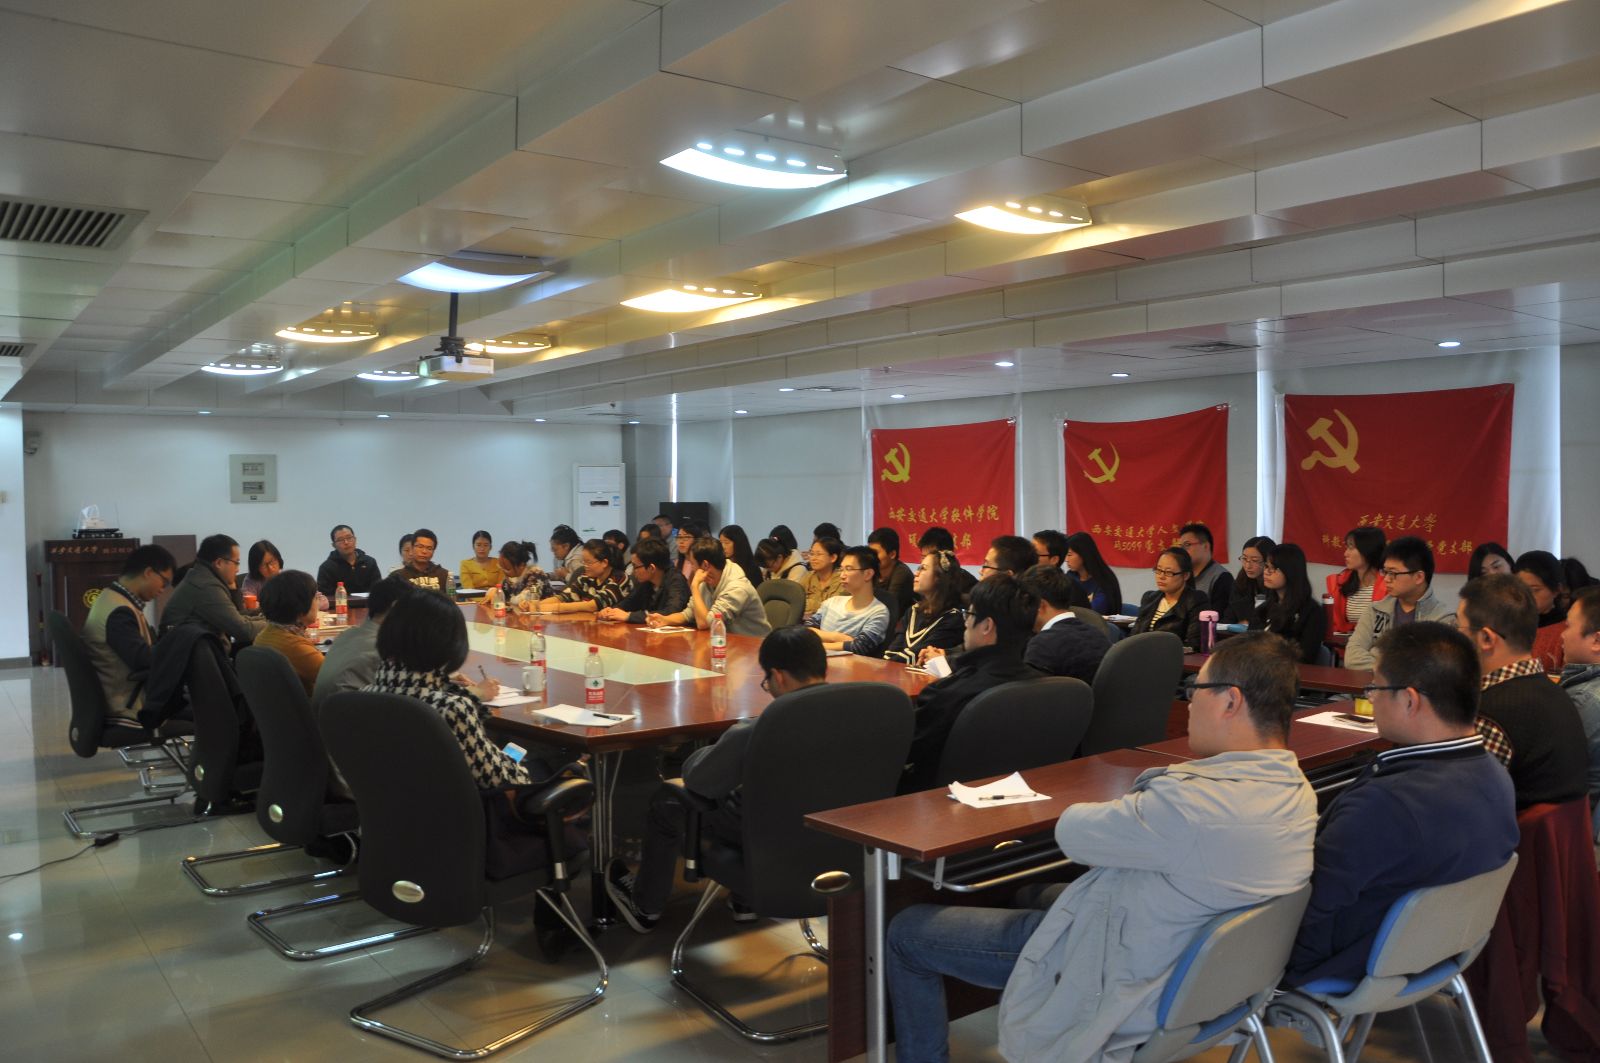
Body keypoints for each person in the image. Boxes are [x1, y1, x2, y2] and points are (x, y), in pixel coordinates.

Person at [885, 634, 1316, 1061]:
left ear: (1230, 701)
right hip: (1202, 981)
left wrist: (1139, 800)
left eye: (1195, 689)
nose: (1187, 703)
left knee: (906, 932)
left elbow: (1074, 832)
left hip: (1129, 978)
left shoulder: (1189, 805)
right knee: (1032, 893)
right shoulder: (1297, 790)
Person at [1285, 622, 1518, 986]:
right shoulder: (1495, 774)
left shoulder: (1388, 803)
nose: (1371, 698)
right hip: (1433, 949)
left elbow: (1304, 904)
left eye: (1376, 687)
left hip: (1344, 963)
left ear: (1410, 700)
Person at [603, 628, 827, 931]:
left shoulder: (762, 729)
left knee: (669, 800)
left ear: (778, 676)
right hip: (829, 839)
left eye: (767, 682)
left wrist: (709, 751)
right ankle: (743, 902)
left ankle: (645, 906)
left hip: (764, 834)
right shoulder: (854, 711)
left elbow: (699, 780)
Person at [1456, 574, 1588, 807]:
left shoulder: (1490, 716)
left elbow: (1464, 804)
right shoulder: (1558, 692)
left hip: (1512, 830)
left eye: (1460, 628)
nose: (1456, 637)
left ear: (1486, 638)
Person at [901, 576, 1040, 793]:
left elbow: (903, 750)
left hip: (936, 798)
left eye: (970, 614)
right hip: (1017, 794)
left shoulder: (949, 694)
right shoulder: (1044, 684)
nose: (965, 623)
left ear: (986, 626)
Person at [82, 544, 175, 722]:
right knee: (210, 707)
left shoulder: (111, 598)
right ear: (149, 572)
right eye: (164, 582)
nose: (163, 589)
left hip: (126, 696)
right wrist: (177, 650)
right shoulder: (120, 612)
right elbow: (143, 660)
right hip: (130, 706)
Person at [1343, 536, 1455, 670]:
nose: (1386, 579)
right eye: (1385, 572)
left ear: (1419, 577)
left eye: (1393, 573)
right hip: (1371, 683)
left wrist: (1378, 662)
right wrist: (1395, 669)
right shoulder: (1375, 610)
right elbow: (1351, 657)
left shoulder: (1443, 619)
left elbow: (1430, 669)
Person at [312, 575, 412, 714]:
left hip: (325, 719)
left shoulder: (347, 635)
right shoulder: (385, 649)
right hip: (348, 721)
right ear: (396, 606)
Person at [649, 538, 771, 637]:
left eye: (693, 564)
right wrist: (665, 620)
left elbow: (706, 624)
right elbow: (688, 614)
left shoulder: (737, 588)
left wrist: (694, 587)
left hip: (753, 649)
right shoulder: (706, 581)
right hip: (726, 644)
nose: (692, 568)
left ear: (705, 565)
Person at [161, 533, 266, 645]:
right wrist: (273, 624)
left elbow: (237, 618)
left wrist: (267, 619)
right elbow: (243, 630)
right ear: (219, 563)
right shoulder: (206, 586)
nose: (237, 569)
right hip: (187, 653)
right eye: (236, 563)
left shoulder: (200, 576)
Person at [1017, 564, 1108, 683]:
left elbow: (1032, 693)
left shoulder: (1042, 645)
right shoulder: (1097, 634)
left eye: (1024, 604)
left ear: (1040, 605)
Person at [805, 545, 891, 656]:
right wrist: (836, 637)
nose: (842, 575)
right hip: (817, 660)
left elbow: (859, 647)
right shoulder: (832, 602)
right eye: (841, 569)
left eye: (849, 569)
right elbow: (806, 630)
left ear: (868, 574)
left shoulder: (878, 612)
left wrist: (816, 644)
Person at [884, 549, 967, 665]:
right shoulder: (913, 610)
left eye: (923, 568)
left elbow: (919, 654)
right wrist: (885, 663)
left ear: (939, 577)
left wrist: (886, 665)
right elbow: (894, 647)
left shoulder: (953, 618)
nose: (916, 573)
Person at [252, 570, 324, 695]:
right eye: (315, 598)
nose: (318, 603)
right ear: (300, 608)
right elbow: (337, 677)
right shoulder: (294, 646)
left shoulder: (266, 634)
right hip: (313, 705)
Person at [1559, 587, 1600, 807]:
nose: (1562, 634)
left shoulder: (1586, 700)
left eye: (1568, 626)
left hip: (1583, 819)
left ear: (1596, 641)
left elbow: (1558, 776)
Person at [1254, 542, 1325, 664]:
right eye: (1266, 566)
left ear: (1290, 571)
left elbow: (1305, 656)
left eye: (1273, 568)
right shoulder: (1263, 609)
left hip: (1290, 671)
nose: (1266, 572)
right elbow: (1249, 645)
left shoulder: (1312, 612)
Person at [601, 538, 691, 624]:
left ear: (651, 568)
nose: (633, 571)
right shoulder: (646, 581)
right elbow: (630, 602)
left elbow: (672, 612)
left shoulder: (676, 580)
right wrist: (612, 611)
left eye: (635, 566)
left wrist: (629, 616)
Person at [1132, 546, 1204, 649]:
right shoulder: (1149, 598)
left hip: (1171, 656)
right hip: (1143, 653)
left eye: (1168, 572)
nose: (1161, 576)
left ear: (1185, 575)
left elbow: (1194, 644)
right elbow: (1134, 636)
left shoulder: (1196, 600)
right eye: (1158, 570)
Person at [535, 539, 631, 614]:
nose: (585, 566)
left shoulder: (619, 578)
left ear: (604, 563)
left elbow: (593, 606)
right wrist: (536, 605)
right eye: (584, 562)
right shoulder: (586, 578)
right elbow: (564, 597)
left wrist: (556, 608)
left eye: (588, 562)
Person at [1514, 549, 1570, 672]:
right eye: (1520, 589)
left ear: (1557, 589)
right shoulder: (1509, 627)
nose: (1525, 596)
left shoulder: (1567, 633)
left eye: (1534, 590)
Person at [1326, 526, 1387, 635]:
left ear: (1368, 550)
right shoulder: (1339, 583)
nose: (1345, 554)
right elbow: (1335, 625)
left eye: (1351, 548)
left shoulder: (1389, 584)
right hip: (1347, 643)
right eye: (1346, 547)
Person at [244, 539, 327, 612]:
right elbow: (249, 606)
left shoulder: (288, 578)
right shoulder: (251, 581)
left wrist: (301, 608)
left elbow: (324, 602)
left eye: (272, 562)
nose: (270, 568)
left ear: (278, 559)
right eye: (264, 565)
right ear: (256, 567)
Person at [1177, 522, 1233, 615]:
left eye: (1187, 545)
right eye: (1181, 547)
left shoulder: (1221, 577)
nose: (1183, 551)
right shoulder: (1183, 575)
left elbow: (1217, 617)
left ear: (1206, 546)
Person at [1064, 531, 1123, 615]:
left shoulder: (1104, 580)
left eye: (1069, 555)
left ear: (1083, 554)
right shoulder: (1070, 577)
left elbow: (1095, 612)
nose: (1066, 559)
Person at [316, 524, 382, 597]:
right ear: (334, 545)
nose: (346, 542)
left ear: (355, 540)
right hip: (340, 604)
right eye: (340, 540)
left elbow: (378, 590)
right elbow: (325, 597)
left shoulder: (369, 562)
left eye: (349, 538)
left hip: (369, 603)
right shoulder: (326, 568)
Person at [1222, 535, 1275, 624]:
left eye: (1254, 560)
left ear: (1269, 562)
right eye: (1244, 559)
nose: (1247, 566)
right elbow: (1229, 616)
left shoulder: (1276, 586)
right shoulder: (1240, 583)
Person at [919, 526, 978, 599]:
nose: (924, 562)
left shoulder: (966, 584)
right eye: (923, 557)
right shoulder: (923, 582)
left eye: (928, 557)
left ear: (946, 556)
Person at [868, 527, 915, 617]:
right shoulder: (871, 570)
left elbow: (888, 607)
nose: (871, 557)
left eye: (875, 553)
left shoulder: (902, 573)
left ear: (892, 554)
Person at [489, 540, 549, 609]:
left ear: (521, 565)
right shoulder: (511, 578)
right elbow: (501, 593)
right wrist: (493, 591)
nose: (503, 571)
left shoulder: (536, 574)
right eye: (501, 567)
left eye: (507, 569)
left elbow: (528, 598)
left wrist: (508, 599)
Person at [397, 528, 450, 594]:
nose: (424, 551)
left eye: (429, 548)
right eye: (420, 547)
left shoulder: (444, 575)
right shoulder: (398, 576)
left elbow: (452, 599)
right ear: (412, 548)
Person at [800, 536, 844, 615]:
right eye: (812, 554)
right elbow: (796, 601)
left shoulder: (843, 579)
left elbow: (836, 609)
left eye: (819, 554)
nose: (813, 558)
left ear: (833, 558)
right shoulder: (808, 577)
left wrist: (813, 605)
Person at [718, 524, 763, 589]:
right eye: (720, 543)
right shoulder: (721, 564)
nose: (723, 547)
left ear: (738, 543)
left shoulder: (752, 568)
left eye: (726, 543)